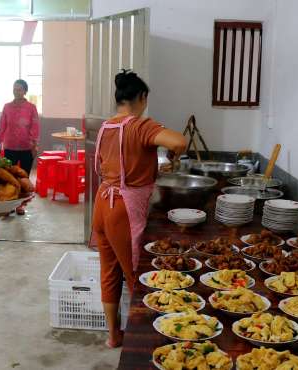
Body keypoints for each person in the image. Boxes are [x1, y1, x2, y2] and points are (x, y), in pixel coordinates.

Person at [92, 70, 186, 348]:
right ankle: (142, 342)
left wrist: (157, 163)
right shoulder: (140, 125)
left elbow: (115, 164)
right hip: (123, 210)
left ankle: (114, 336)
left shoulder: (106, 127)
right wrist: (174, 152)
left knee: (109, 272)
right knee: (136, 275)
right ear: (142, 98)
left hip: (102, 203)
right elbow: (180, 142)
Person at [0, 79, 39, 215]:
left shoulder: (31, 107)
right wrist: (0, 143)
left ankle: (21, 205)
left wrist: (34, 144)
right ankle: (9, 204)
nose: (16, 91)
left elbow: (35, 127)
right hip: (10, 147)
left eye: (19, 89)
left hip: (26, 147)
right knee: (9, 177)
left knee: (24, 178)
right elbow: (2, 126)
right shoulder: (7, 107)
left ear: (25, 91)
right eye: (15, 89)